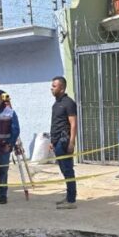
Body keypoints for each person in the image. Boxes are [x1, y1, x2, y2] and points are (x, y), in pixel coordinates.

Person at [49, 76, 78, 210]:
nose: (51, 88)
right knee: (63, 170)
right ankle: (68, 196)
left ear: (61, 88)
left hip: (64, 141)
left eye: (54, 86)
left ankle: (71, 200)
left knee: (68, 170)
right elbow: (56, 123)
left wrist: (72, 142)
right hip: (56, 142)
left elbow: (73, 124)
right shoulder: (56, 104)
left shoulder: (68, 103)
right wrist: (52, 141)